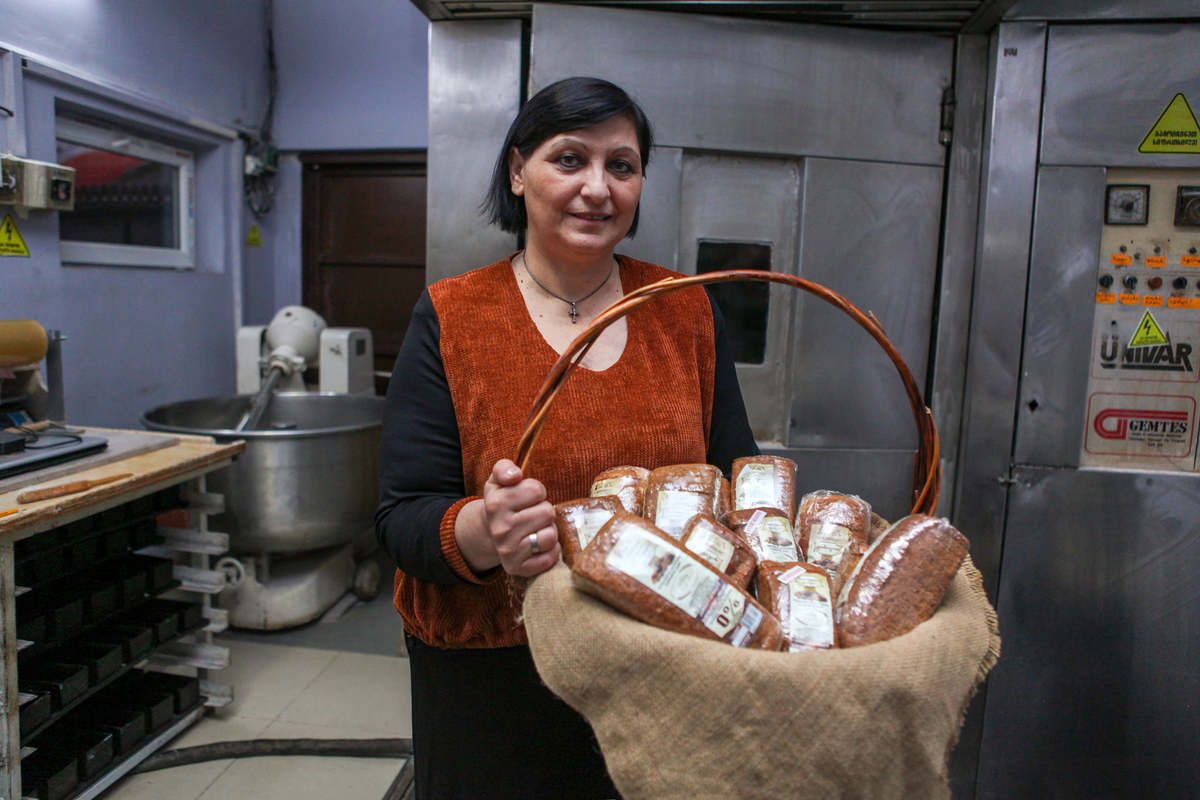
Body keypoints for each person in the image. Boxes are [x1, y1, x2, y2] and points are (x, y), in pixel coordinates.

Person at [375, 76, 757, 799]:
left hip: (662, 669)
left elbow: (739, 480)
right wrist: (484, 532)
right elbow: (400, 517)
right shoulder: (454, 316)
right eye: (569, 159)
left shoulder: (685, 313)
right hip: (496, 681)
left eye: (621, 165)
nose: (597, 188)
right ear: (518, 170)